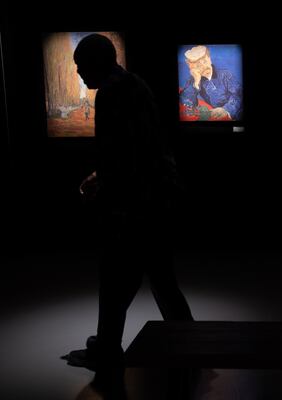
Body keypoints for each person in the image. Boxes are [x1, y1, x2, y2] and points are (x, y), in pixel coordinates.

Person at [61, 33, 194, 398]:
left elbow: (119, 159)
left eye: (80, 65)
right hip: (158, 198)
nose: (78, 72)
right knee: (160, 278)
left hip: (136, 204)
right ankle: (188, 341)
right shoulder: (134, 83)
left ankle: (108, 348)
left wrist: (101, 189)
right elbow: (141, 148)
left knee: (117, 277)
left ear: (96, 63)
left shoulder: (111, 94)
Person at [180, 45, 242, 120]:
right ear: (192, 67)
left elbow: (239, 94)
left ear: (209, 59)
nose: (204, 66)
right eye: (198, 65)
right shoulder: (194, 79)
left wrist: (226, 109)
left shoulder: (225, 75)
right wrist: (195, 83)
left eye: (205, 61)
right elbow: (187, 102)